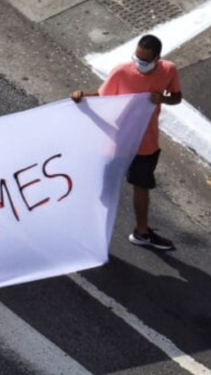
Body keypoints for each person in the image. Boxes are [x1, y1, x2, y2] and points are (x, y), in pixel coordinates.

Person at [71, 34, 183, 251]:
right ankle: (90, 234)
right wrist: (81, 97)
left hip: (146, 143)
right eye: (137, 58)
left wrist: (163, 99)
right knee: (104, 192)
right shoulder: (121, 72)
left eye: (145, 60)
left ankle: (142, 232)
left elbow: (177, 97)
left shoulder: (169, 70)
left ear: (157, 58)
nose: (139, 63)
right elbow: (101, 96)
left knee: (142, 187)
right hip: (117, 142)